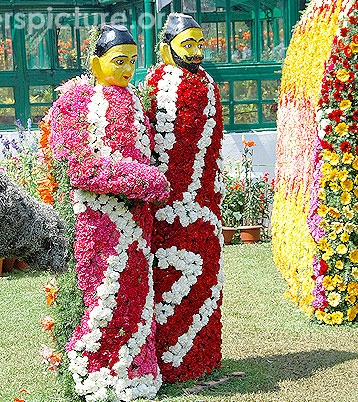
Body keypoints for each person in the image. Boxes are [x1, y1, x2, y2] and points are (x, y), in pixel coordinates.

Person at [44, 25, 169, 401]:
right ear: (95, 62)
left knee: (136, 298)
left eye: (133, 61)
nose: (128, 69)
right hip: (97, 224)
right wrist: (146, 179)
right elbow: (79, 166)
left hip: (137, 224)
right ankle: (96, 377)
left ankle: (137, 373)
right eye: (119, 61)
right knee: (104, 301)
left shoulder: (133, 99)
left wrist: (148, 181)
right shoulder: (75, 101)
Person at [145, 13, 225, 383]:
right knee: (170, 281)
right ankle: (169, 360)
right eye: (186, 44)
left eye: (198, 43)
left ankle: (202, 357)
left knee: (206, 278)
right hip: (167, 206)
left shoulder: (208, 84)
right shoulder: (157, 84)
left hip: (205, 203)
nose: (194, 52)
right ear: (166, 49)